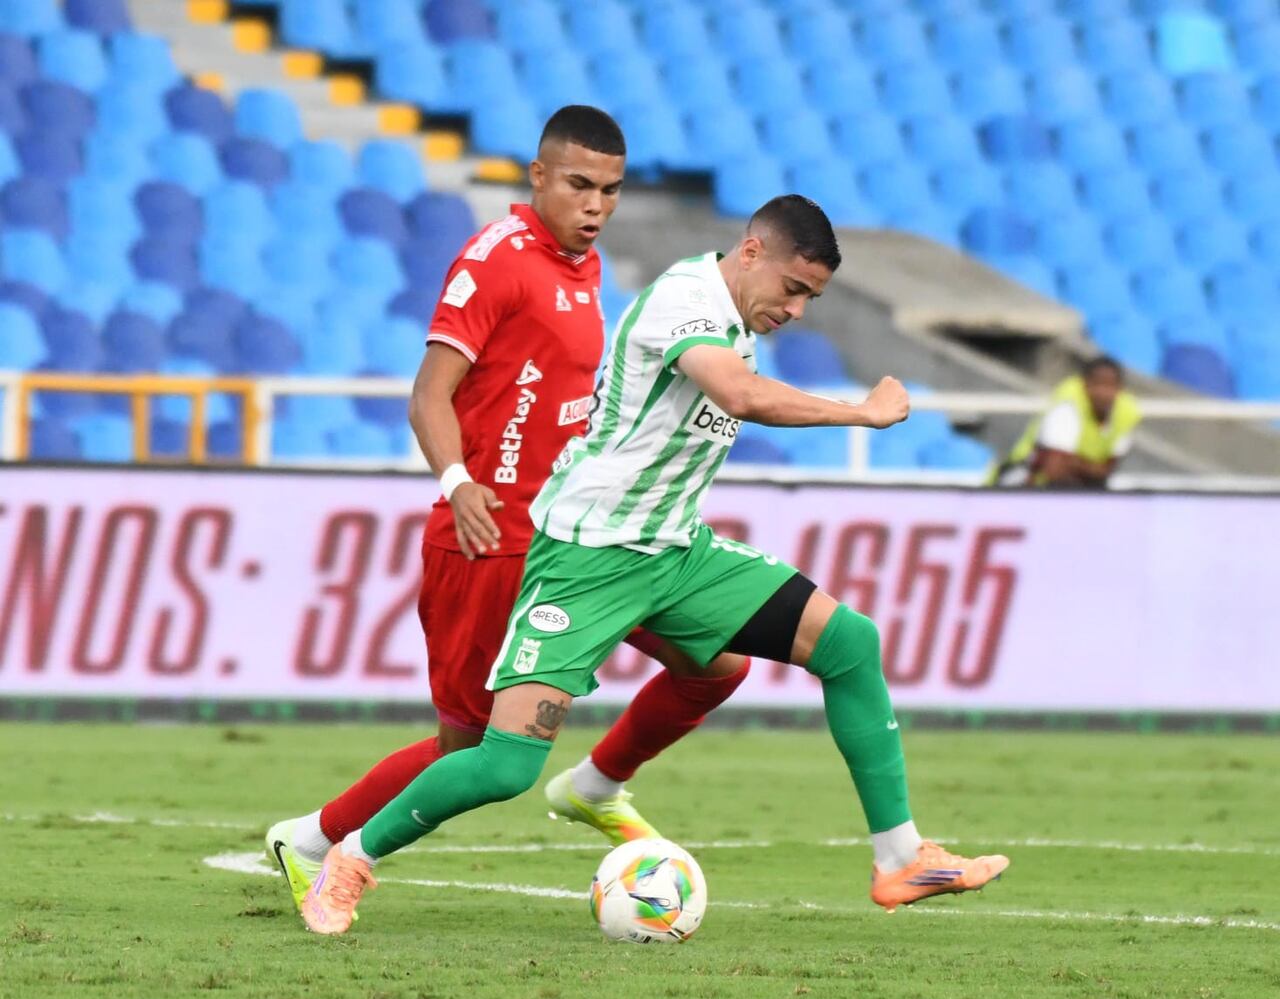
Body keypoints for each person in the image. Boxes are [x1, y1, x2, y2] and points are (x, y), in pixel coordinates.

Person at [299, 195, 1010, 935]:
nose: (797, 310)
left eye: (812, 299)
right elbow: (739, 394)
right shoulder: (685, 299)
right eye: (794, 290)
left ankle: (897, 858)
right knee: (503, 767)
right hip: (589, 555)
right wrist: (858, 412)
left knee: (848, 642)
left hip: (674, 550)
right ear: (751, 252)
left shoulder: (738, 317)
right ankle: (348, 860)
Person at [266, 106, 750, 915]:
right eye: (579, 185)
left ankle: (596, 786)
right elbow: (429, 394)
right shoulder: (496, 261)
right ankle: (314, 840)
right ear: (537, 177)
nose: (596, 205)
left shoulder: (585, 269)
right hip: (486, 542)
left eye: (611, 190)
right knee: (471, 754)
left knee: (717, 662)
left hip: (581, 540)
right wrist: (458, 482)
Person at [990, 356, 1141, 488]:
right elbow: (1054, 470)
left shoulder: (1126, 412)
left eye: (1110, 386)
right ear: (1084, 384)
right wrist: (1093, 468)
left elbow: (1107, 471)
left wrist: (1074, 463)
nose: (1103, 393)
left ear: (1120, 389)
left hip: (1078, 488)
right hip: (1024, 480)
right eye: (1097, 384)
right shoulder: (1068, 405)